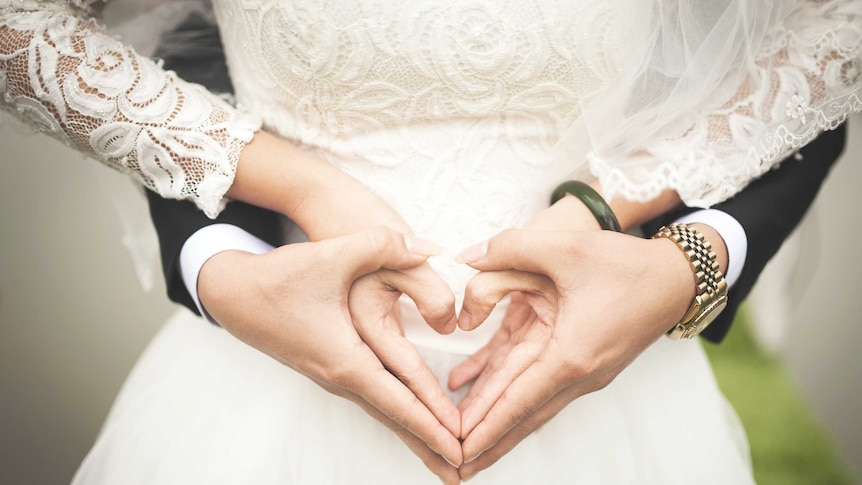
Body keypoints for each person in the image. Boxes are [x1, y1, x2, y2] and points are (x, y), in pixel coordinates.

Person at [1, 1, 858, 483]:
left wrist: (619, 217)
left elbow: (834, 27)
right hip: (267, 400)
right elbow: (21, 27)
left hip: (609, 400)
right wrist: (298, 186)